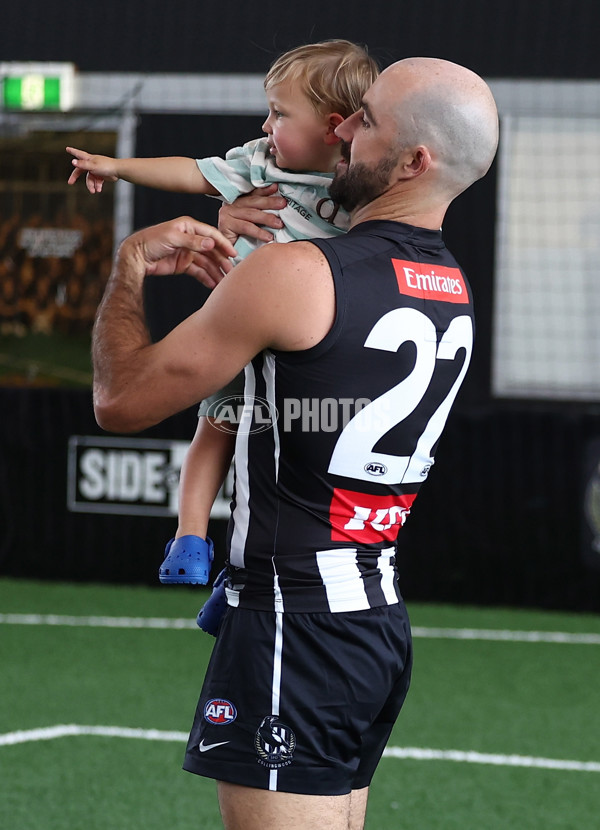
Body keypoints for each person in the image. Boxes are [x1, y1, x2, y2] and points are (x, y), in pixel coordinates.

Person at [91, 57, 499, 830]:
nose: (342, 127)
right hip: (374, 618)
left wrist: (132, 264)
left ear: (415, 161)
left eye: (365, 120)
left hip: (293, 623)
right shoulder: (453, 290)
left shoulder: (296, 274)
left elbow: (120, 400)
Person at [66, 40, 380, 599]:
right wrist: (115, 167)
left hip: (313, 349)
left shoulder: (362, 184)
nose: (266, 123)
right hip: (244, 330)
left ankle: (243, 583)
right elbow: (190, 172)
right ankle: (189, 538)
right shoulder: (260, 162)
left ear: (335, 128)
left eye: (281, 114)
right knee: (215, 429)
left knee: (290, 462)